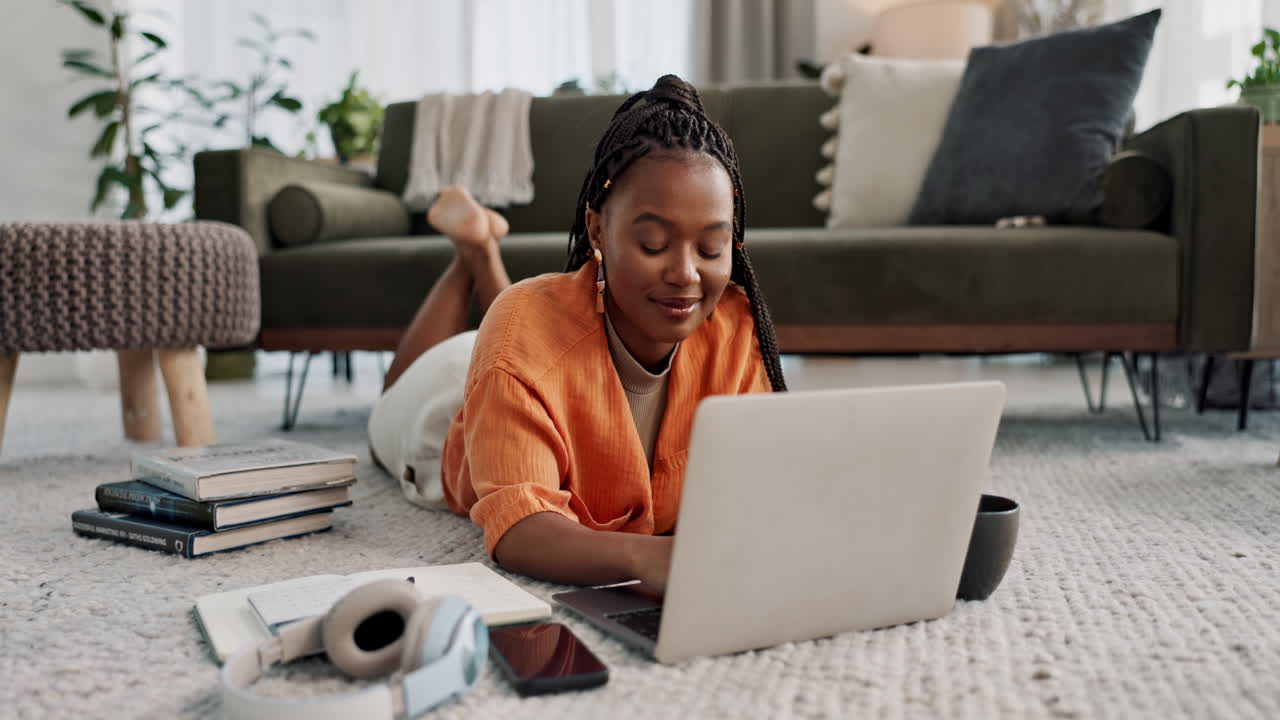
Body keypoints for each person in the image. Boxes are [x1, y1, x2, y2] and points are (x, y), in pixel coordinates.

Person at [368, 74, 787, 594]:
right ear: (596, 231)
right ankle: (470, 254)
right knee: (398, 391)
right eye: (653, 244)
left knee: (515, 326)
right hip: (439, 414)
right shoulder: (521, 332)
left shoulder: (733, 327)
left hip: (521, 362)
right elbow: (519, 529)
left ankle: (482, 249)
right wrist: (647, 556)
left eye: (710, 248)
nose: (686, 273)